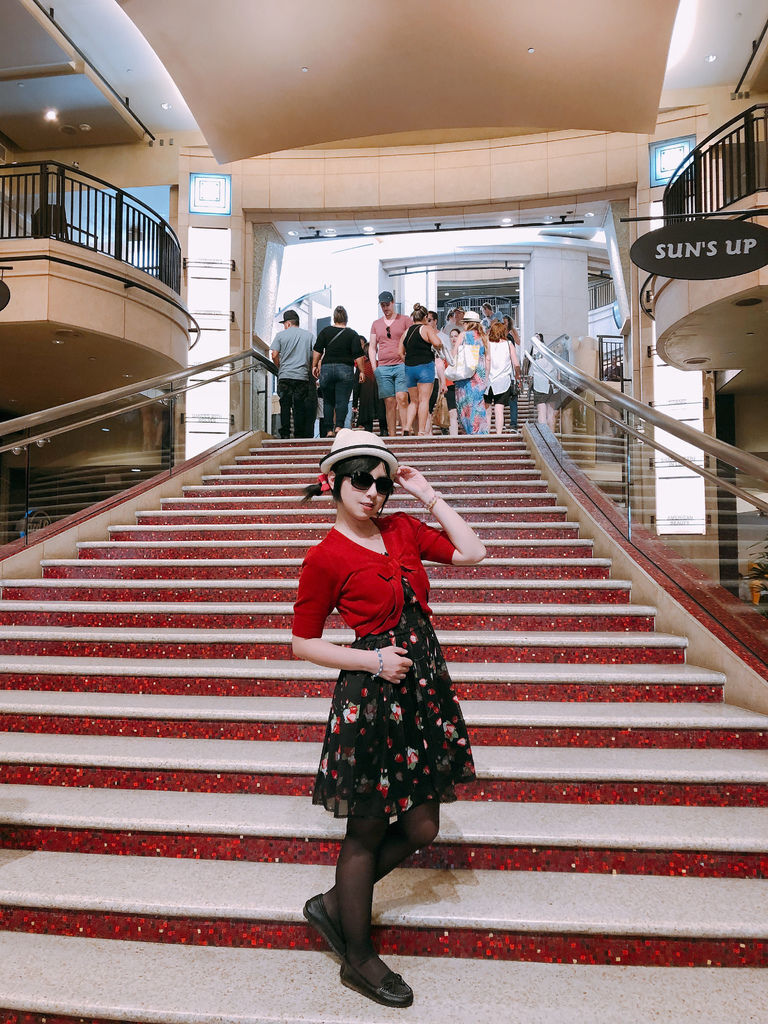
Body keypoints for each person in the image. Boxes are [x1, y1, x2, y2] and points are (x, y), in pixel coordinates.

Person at [293, 429, 485, 1008]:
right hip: (372, 696)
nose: (373, 492)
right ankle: (356, 956)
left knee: (423, 825)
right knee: (367, 828)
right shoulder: (325, 556)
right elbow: (302, 642)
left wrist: (428, 495)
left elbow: (474, 552)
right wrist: (371, 659)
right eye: (361, 480)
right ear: (333, 482)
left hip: (422, 691)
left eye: (381, 481)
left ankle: (331, 905)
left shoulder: (401, 528)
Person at [313, 306, 365, 437]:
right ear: (346, 319)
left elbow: (317, 350)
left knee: (328, 401)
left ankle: (329, 430)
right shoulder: (352, 334)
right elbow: (359, 355)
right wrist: (362, 371)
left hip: (327, 369)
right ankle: (339, 426)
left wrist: (314, 365)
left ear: (334, 318)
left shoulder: (325, 331)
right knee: (342, 400)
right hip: (345, 369)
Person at [369, 291, 412, 437]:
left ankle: (405, 430)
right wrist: (375, 367)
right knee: (389, 402)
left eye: (387, 304)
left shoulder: (405, 320)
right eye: (382, 305)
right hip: (383, 366)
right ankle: (392, 435)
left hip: (401, 364)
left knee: (402, 397)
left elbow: (411, 341)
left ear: (393, 303)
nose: (385, 308)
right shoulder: (376, 324)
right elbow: (372, 346)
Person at [271, 309, 316, 438]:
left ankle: (285, 434)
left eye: (284, 324)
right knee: (299, 406)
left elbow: (274, 355)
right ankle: (298, 434)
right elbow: (316, 353)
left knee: (285, 405)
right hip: (302, 377)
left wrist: (280, 367)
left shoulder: (280, 336)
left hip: (285, 376)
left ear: (288, 323)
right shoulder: (309, 336)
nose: (284, 326)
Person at [400, 303, 443, 436]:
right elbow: (437, 343)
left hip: (409, 368)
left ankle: (407, 426)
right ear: (425, 317)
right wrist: (439, 345)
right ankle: (422, 430)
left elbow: (399, 352)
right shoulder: (426, 328)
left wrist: (408, 361)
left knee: (413, 401)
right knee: (424, 400)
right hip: (425, 366)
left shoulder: (407, 331)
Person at [452, 310, 490, 435]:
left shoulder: (463, 335)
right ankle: (480, 432)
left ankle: (470, 431)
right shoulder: (484, 337)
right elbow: (488, 358)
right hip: (479, 375)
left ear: (468, 323)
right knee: (478, 403)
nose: (463, 325)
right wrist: (486, 377)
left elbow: (454, 354)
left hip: (465, 374)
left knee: (464, 404)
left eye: (464, 323)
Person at [485, 320, 522, 435]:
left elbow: (485, 360)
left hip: (488, 380)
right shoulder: (508, 344)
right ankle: (499, 434)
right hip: (503, 382)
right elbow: (516, 363)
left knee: (487, 410)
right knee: (499, 409)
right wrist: (518, 376)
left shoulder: (487, 344)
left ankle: (486, 433)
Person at [353, 337, 387, 435]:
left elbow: (356, 386)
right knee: (382, 418)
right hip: (380, 396)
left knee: (367, 424)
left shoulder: (361, 367)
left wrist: (355, 403)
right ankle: (384, 431)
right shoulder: (380, 365)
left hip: (365, 398)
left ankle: (369, 436)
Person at [529, 332, 560, 429]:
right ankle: (552, 438)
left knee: (541, 413)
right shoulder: (549, 351)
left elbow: (531, 369)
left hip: (540, 384)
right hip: (552, 385)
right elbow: (556, 367)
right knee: (550, 414)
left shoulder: (533, 352)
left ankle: (544, 438)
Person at [503, 315, 522, 430]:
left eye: (506, 322)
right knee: (502, 400)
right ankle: (505, 422)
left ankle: (513, 423)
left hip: (512, 369)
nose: (504, 324)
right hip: (504, 370)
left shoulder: (512, 332)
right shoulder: (499, 332)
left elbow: (518, 342)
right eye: (503, 322)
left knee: (513, 399)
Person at [445, 327, 460, 436]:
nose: (453, 338)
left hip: (462, 384)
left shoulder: (464, 351)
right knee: (452, 412)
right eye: (451, 336)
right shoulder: (446, 352)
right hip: (450, 385)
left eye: (456, 336)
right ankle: (453, 436)